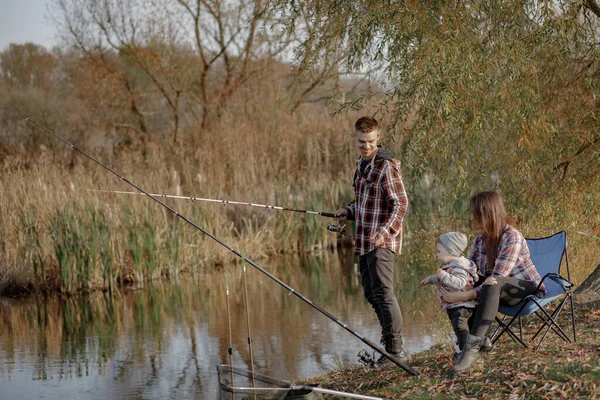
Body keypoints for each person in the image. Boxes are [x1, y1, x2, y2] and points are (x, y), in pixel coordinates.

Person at [443, 191, 547, 373]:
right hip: (495, 290)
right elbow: (470, 270)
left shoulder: (511, 236)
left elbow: (499, 275)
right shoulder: (480, 239)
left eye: (475, 213)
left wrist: (467, 294)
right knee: (459, 285)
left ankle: (472, 350)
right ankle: (470, 341)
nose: (472, 217)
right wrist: (452, 282)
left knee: (491, 282)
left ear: (487, 213)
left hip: (525, 289)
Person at [335, 116, 409, 364]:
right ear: (354, 138)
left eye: (370, 141)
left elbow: (400, 205)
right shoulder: (361, 165)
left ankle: (395, 351)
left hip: (383, 242)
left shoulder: (386, 166)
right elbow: (366, 204)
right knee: (370, 293)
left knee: (384, 293)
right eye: (361, 142)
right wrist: (348, 211)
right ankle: (389, 344)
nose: (365, 146)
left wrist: (384, 232)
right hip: (364, 241)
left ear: (378, 137)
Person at [419, 232, 478, 361]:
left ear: (450, 250)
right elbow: (443, 278)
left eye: (439, 251)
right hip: (455, 305)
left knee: (459, 327)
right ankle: (472, 345)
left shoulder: (460, 267)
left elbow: (459, 283)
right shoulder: (451, 266)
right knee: (461, 327)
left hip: (462, 305)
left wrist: (443, 276)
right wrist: (431, 279)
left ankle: (465, 351)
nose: (437, 254)